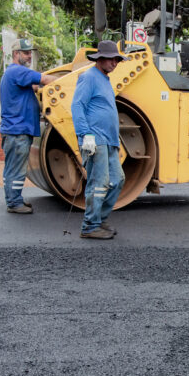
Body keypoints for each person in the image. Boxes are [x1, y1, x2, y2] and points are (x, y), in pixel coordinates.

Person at [71, 40, 126, 240]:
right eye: (111, 59)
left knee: (118, 180)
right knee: (99, 182)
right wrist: (85, 135)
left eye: (117, 60)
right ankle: (89, 226)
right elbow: (77, 106)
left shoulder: (104, 79)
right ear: (100, 58)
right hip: (95, 139)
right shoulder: (89, 77)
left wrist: (115, 142)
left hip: (109, 141)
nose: (114, 63)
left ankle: (99, 220)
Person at [0, 38, 57, 213]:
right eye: (25, 52)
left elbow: (33, 86)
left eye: (30, 52)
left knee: (12, 167)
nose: (29, 55)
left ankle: (14, 199)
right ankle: (14, 203)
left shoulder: (12, 74)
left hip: (14, 130)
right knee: (16, 169)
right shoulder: (18, 71)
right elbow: (44, 79)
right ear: (16, 54)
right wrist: (71, 79)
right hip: (18, 131)